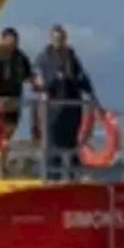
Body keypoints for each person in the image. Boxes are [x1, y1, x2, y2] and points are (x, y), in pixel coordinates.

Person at [32, 24, 96, 178]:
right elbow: (38, 82)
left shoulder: (72, 58)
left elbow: (82, 79)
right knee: (53, 143)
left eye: (61, 38)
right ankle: (52, 175)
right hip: (53, 109)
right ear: (51, 39)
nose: (59, 41)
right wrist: (50, 81)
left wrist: (90, 94)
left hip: (72, 108)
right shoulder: (43, 58)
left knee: (71, 142)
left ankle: (73, 174)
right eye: (56, 38)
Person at [0, 26, 32, 156]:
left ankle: (2, 156)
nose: (12, 44)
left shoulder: (20, 57)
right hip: (0, 100)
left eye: (14, 41)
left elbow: (29, 76)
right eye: (10, 41)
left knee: (9, 130)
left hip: (14, 99)